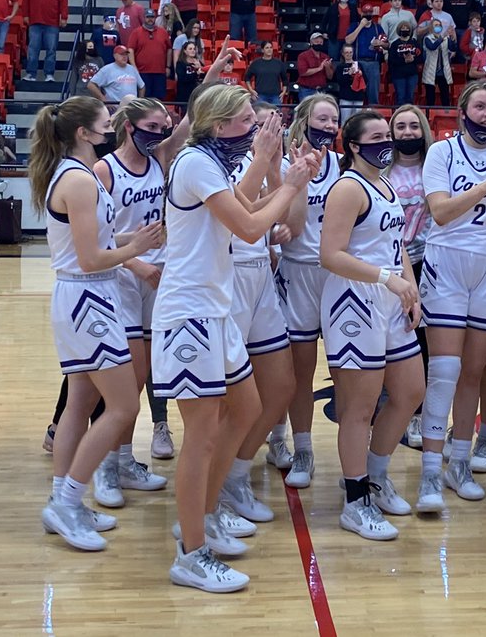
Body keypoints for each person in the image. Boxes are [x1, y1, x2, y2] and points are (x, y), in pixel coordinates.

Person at [151, 85, 316, 592]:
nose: (258, 127)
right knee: (199, 436)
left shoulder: (210, 163)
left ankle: (205, 512)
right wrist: (284, 183)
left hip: (215, 312)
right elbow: (248, 228)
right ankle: (190, 551)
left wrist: (279, 177)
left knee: (245, 410)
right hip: (189, 314)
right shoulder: (195, 161)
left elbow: (240, 204)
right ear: (219, 124)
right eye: (248, 120)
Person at [27, 95, 163, 550]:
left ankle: (60, 498)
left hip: (84, 294)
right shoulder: (79, 180)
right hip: (89, 296)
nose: (112, 128)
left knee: (80, 404)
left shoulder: (76, 174)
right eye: (106, 123)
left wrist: (134, 238)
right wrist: (135, 250)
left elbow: (99, 238)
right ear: (83, 133)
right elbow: (90, 258)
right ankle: (66, 503)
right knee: (122, 407)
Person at [417, 81, 486, 512]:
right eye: (479, 106)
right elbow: (439, 212)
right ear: (463, 111)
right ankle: (428, 470)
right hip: (446, 260)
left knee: (474, 372)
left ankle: (458, 463)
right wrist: (485, 187)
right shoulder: (441, 153)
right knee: (444, 369)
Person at [320, 111, 424, 539]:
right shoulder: (347, 187)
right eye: (378, 137)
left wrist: (411, 289)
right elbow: (331, 254)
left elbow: (397, 245)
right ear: (355, 145)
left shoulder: (385, 183)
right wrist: (387, 279)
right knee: (359, 407)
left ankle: (377, 475)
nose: (387, 142)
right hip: (353, 301)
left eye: (389, 135)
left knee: (410, 391)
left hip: (390, 295)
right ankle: (355, 499)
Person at [89, 99, 176, 509]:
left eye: (164, 127)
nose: (159, 133)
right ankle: (106, 465)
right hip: (121, 277)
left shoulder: (159, 157)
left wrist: (210, 74)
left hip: (159, 279)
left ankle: (124, 460)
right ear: (128, 127)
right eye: (152, 126)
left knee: (142, 378)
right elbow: (96, 236)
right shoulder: (104, 170)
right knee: (125, 383)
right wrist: (138, 265)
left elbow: (194, 115)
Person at [217, 103, 298, 525]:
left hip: (261, 275)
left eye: (262, 121)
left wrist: (274, 167)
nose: (259, 127)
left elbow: (279, 215)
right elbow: (240, 219)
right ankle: (213, 490)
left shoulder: (267, 158)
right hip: (226, 277)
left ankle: (235, 474)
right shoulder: (213, 161)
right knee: (229, 401)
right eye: (251, 120)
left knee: (281, 386)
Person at [274, 94, 343, 488]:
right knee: (299, 372)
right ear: (303, 121)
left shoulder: (344, 167)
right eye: (322, 118)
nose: (329, 126)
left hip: (336, 276)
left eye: (334, 119)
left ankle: (351, 452)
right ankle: (301, 448)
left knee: (343, 371)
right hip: (297, 273)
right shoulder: (284, 166)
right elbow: (288, 226)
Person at [387, 105, 434, 447]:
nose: (407, 133)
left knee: (424, 341)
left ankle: (417, 416)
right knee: (392, 341)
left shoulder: (435, 166)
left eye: (412, 126)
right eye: (400, 126)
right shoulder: (382, 169)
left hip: (429, 264)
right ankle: (389, 410)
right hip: (390, 267)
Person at [22, 0, 70, 83]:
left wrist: (64, 17)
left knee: (51, 50)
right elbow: (25, 0)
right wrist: (25, 15)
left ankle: (49, 74)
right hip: (35, 22)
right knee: (33, 49)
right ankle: (31, 74)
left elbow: (63, 2)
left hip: (52, 23)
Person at [125, 9, 172, 101]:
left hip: (160, 72)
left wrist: (168, 66)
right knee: (144, 100)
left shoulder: (163, 32)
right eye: (148, 17)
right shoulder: (136, 32)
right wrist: (134, 67)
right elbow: (130, 49)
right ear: (144, 18)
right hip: (142, 72)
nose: (150, 19)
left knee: (159, 99)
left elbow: (169, 49)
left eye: (152, 17)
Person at [418, 0, 455, 106]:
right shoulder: (428, 38)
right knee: (430, 97)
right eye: (436, 25)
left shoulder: (448, 18)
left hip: (443, 70)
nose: (439, 3)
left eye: (441, 1)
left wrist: (452, 40)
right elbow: (432, 47)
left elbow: (452, 47)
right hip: (431, 69)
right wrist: (443, 38)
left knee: (445, 95)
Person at [346, 4, 387, 105]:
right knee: (357, 87)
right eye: (366, 13)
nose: (368, 15)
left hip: (373, 62)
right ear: (362, 13)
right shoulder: (355, 25)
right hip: (358, 61)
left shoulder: (377, 28)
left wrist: (380, 43)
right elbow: (348, 40)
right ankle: (358, 107)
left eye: (370, 13)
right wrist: (361, 26)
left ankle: (373, 108)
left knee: (373, 89)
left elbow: (387, 44)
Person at [244, 41, 287, 106]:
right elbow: (247, 78)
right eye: (267, 48)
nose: (269, 49)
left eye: (271, 47)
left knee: (276, 115)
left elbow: (285, 80)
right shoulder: (256, 63)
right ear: (262, 50)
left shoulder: (279, 63)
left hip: (275, 96)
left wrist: (283, 92)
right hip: (260, 96)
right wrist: (251, 90)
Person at [388, 24, 422, 106]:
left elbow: (421, 58)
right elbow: (391, 60)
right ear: (399, 30)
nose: (405, 30)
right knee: (401, 97)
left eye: (407, 28)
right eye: (403, 28)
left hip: (412, 74)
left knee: (410, 97)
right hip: (398, 75)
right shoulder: (395, 44)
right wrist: (404, 60)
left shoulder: (414, 43)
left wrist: (413, 59)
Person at [296, 32, 333, 102]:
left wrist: (327, 67)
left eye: (321, 42)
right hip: (307, 90)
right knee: (306, 111)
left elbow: (330, 77)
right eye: (317, 41)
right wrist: (319, 68)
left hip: (321, 90)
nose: (319, 43)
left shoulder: (325, 57)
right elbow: (303, 72)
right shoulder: (303, 56)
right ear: (311, 42)